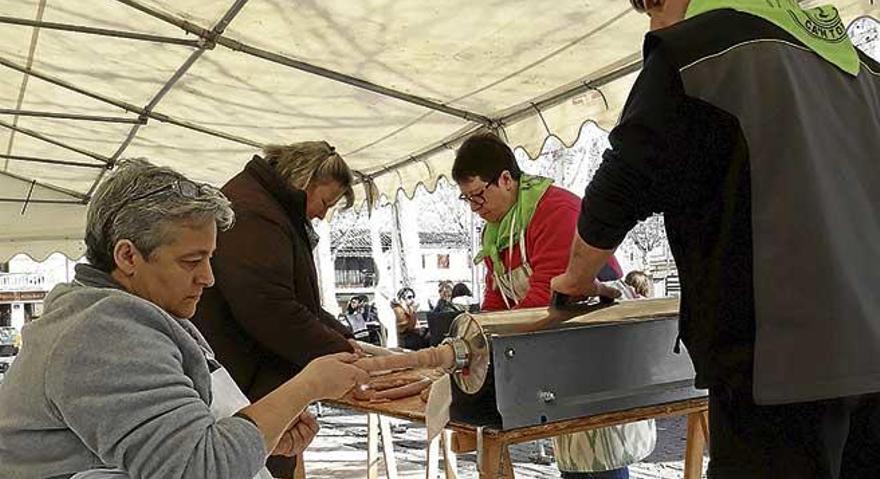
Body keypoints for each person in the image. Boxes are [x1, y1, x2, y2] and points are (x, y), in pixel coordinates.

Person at [551, 0, 880, 477]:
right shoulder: (863, 69)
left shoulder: (699, 49)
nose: (654, 24)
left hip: (778, 368)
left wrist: (575, 280)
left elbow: (623, 181)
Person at [0, 160, 368, 479]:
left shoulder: (136, 314)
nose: (208, 277)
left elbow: (175, 441)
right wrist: (307, 386)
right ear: (128, 256)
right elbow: (199, 469)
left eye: (210, 258)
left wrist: (265, 435)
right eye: (191, 261)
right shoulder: (103, 331)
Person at [453, 133, 653, 479]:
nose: (475, 207)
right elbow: (495, 301)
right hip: (557, 354)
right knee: (574, 457)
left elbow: (545, 300)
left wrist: (489, 344)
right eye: (467, 199)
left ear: (505, 179)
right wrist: (474, 340)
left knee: (604, 452)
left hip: (596, 345)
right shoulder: (497, 232)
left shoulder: (555, 210)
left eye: (478, 195)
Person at [191, 141, 359, 476]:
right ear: (304, 180)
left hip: (249, 380)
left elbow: (293, 301)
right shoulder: (254, 211)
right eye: (325, 202)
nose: (322, 214)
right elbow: (271, 309)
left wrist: (341, 335)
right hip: (242, 381)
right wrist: (338, 350)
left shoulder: (266, 206)